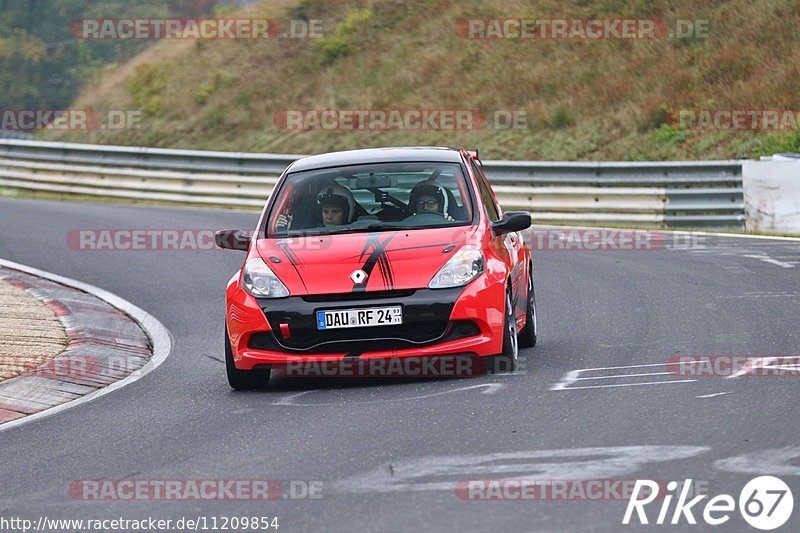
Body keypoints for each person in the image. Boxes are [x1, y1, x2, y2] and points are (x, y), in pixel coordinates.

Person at [276, 183, 356, 229]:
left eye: (335, 211)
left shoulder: (356, 233)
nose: (329, 217)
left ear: (346, 213)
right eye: (325, 212)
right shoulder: (308, 233)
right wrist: (287, 229)